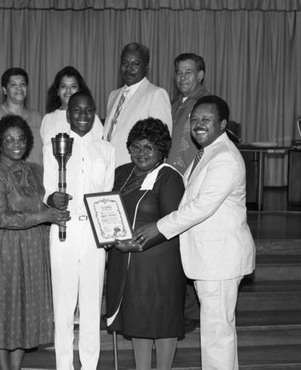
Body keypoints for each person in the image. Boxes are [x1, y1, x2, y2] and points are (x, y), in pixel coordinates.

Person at [132, 96, 256, 370]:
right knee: (218, 332)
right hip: (209, 259)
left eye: (206, 119)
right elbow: (185, 193)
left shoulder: (225, 158)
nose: (198, 124)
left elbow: (199, 208)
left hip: (220, 260)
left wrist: (157, 227)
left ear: (222, 124)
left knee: (216, 335)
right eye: (195, 119)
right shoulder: (207, 153)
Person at [0, 115, 69, 370]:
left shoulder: (34, 170)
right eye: (9, 139)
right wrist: (44, 215)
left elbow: (41, 202)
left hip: (32, 248)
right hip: (4, 249)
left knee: (24, 311)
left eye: (20, 138)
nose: (15, 144)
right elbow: (0, 216)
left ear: (28, 142)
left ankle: (15, 369)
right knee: (2, 309)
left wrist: (55, 203)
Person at [105, 118, 185, 370]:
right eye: (136, 147)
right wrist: (106, 235)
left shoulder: (169, 177)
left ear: (161, 150)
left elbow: (173, 223)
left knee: (161, 322)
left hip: (158, 263)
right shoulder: (120, 173)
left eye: (149, 147)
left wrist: (137, 245)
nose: (141, 153)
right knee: (137, 319)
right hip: (125, 259)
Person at [43, 91, 115, 370]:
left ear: (95, 114)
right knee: (63, 304)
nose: (83, 116)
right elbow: (48, 188)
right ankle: (63, 365)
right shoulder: (53, 147)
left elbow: (107, 195)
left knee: (91, 303)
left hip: (94, 235)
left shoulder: (106, 149)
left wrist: (108, 231)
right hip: (63, 230)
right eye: (77, 110)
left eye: (88, 111)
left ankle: (89, 365)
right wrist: (52, 199)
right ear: (68, 114)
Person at [166, 53, 210, 334]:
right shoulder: (174, 104)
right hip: (171, 181)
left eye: (189, 72)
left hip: (187, 185)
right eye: (179, 72)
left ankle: (192, 313)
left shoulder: (204, 106)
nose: (183, 78)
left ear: (201, 75)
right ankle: (181, 309)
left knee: (188, 248)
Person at [103, 42, 172, 167]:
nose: (129, 68)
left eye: (135, 63)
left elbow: (161, 145)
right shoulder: (113, 95)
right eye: (125, 63)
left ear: (146, 67)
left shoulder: (156, 94)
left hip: (135, 172)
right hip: (107, 169)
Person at [0, 67, 44, 165]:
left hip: (33, 177)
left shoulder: (37, 118)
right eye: (13, 84)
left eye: (23, 84)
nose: (19, 88)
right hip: (0, 177)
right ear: (4, 90)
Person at [40, 66, 103, 145]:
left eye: (73, 86)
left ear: (79, 90)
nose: (68, 90)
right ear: (58, 91)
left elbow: (101, 148)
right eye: (63, 86)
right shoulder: (48, 119)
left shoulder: (92, 118)